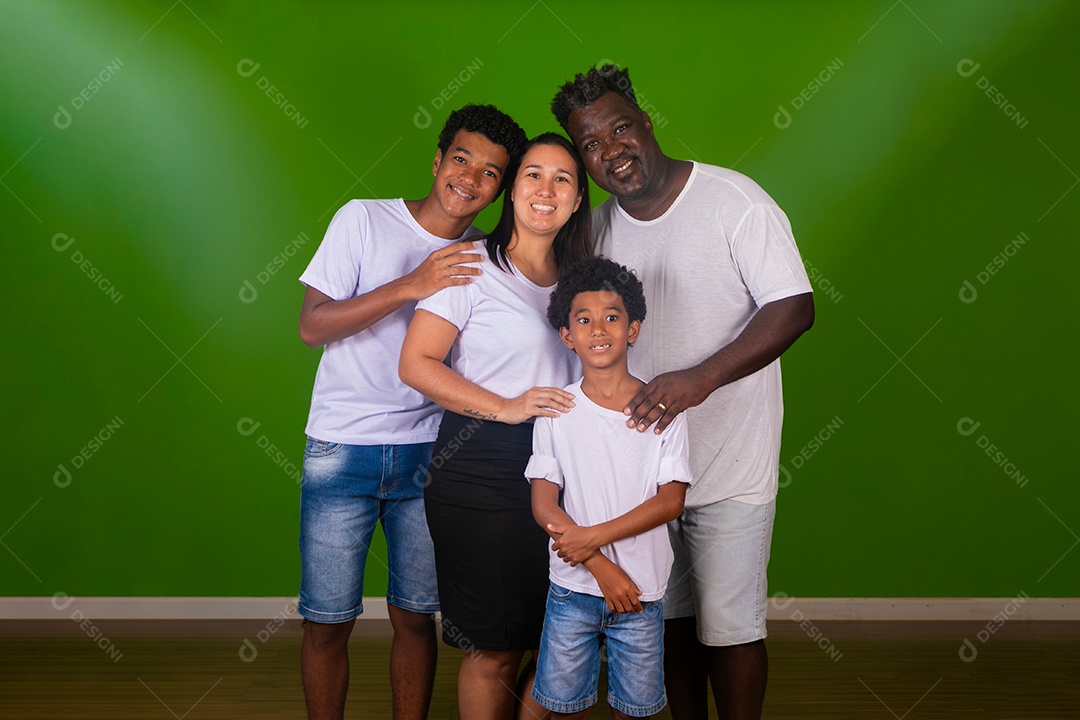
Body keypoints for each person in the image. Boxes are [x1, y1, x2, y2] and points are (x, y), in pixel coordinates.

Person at [552, 65, 816, 720]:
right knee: (665, 627)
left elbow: (794, 307)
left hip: (730, 464)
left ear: (646, 122)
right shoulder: (600, 229)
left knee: (729, 630)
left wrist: (700, 379)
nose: (612, 150)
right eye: (591, 144)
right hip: (643, 480)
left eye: (620, 128)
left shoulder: (735, 201)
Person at [296, 104, 527, 720]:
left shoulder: (488, 255)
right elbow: (312, 326)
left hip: (432, 452)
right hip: (341, 447)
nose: (470, 179)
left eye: (490, 173)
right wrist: (410, 284)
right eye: (461, 160)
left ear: (500, 189)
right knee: (326, 623)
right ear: (437, 161)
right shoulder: (364, 221)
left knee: (416, 616)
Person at [398, 132, 593, 720]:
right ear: (511, 190)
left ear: (579, 199)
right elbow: (416, 364)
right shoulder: (470, 267)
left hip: (567, 470)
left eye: (563, 178)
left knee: (559, 638)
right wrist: (506, 407)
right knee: (496, 648)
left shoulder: (583, 280)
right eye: (533, 174)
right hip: (483, 467)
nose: (546, 189)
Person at [528, 257, 694, 719]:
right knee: (563, 705)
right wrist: (600, 566)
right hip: (573, 589)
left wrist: (593, 540)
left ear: (633, 329)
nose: (598, 329)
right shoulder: (556, 410)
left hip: (640, 592)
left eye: (611, 318)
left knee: (635, 709)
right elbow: (544, 505)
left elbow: (670, 501)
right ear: (567, 336)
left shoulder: (662, 411)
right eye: (584, 320)